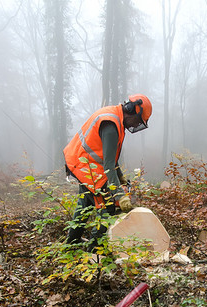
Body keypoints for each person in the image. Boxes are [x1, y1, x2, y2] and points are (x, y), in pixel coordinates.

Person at [63, 94, 152, 248]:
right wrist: (120, 195)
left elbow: (109, 156)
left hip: (81, 161)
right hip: (85, 166)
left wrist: (121, 177)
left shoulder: (115, 117)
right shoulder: (111, 125)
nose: (135, 124)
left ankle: (72, 242)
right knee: (107, 207)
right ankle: (94, 250)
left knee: (85, 203)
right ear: (131, 110)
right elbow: (108, 165)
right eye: (137, 120)